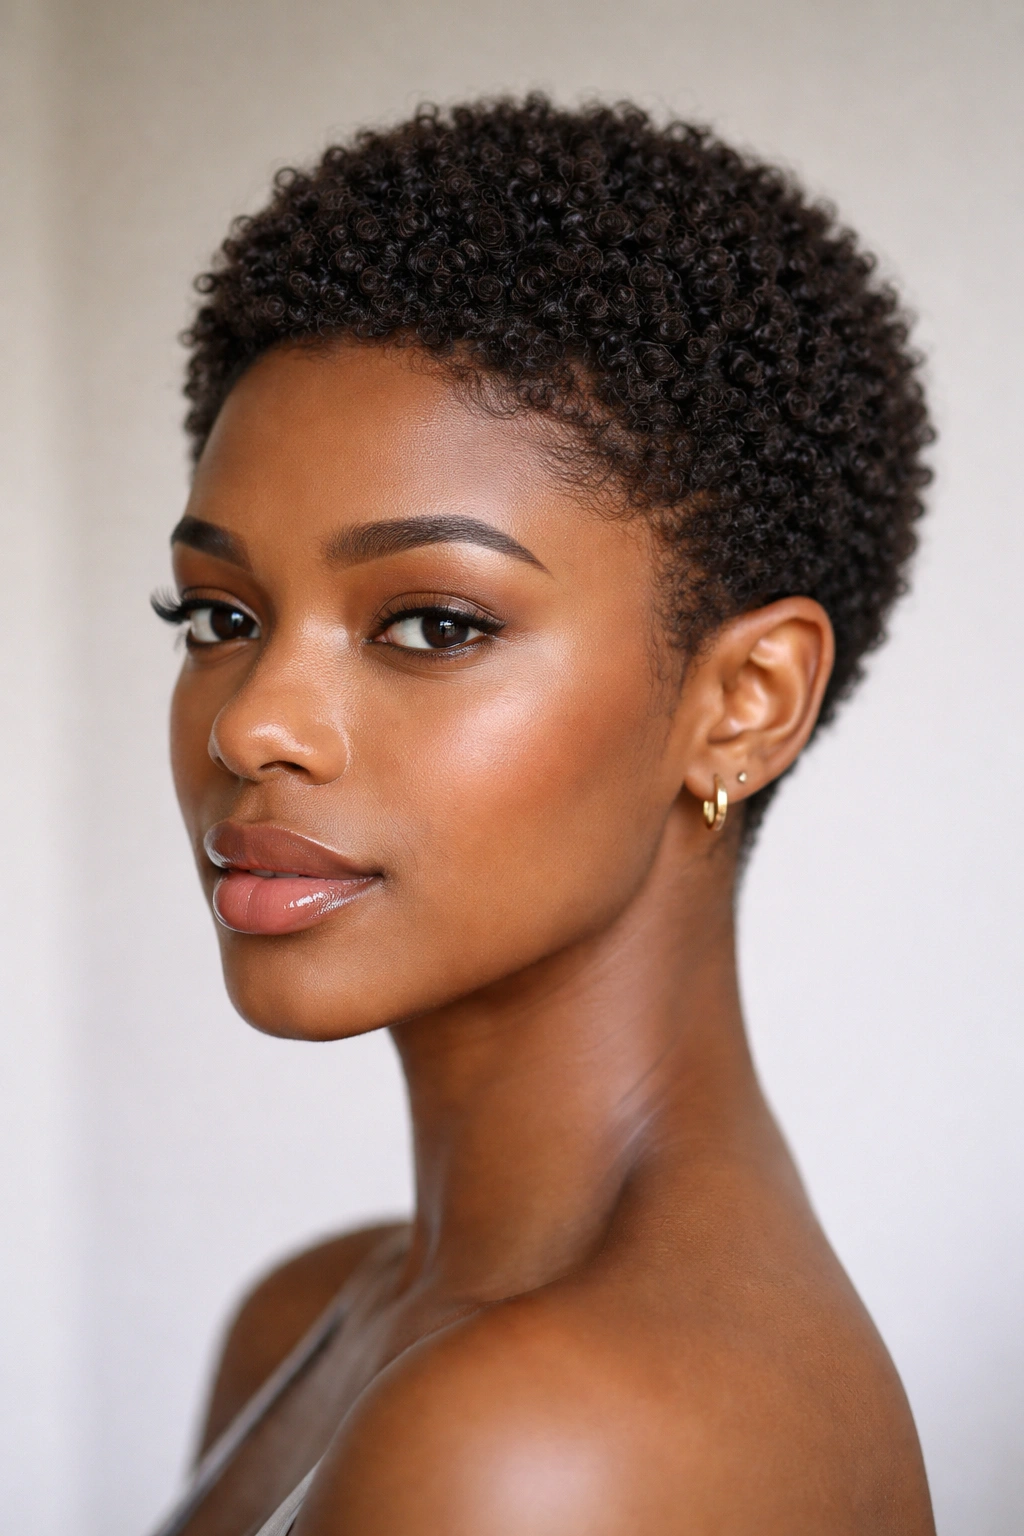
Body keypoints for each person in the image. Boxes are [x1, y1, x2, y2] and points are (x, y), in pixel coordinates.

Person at [149, 96, 936, 1535]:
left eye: (434, 625)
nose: (252, 721)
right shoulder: (316, 1317)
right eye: (222, 611)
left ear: (743, 701)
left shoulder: (541, 1440)